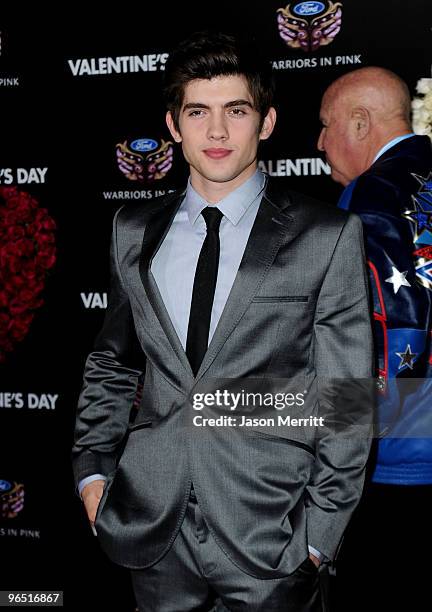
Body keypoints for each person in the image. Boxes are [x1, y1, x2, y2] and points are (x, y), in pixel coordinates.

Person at [72, 32, 373, 612]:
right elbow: (113, 362)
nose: (216, 132)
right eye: (198, 112)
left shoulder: (326, 236)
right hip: (151, 528)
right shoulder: (131, 230)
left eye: (236, 111)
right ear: (172, 124)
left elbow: (346, 398)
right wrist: (92, 474)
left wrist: (319, 535)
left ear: (266, 123)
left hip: (272, 537)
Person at [318, 66, 432, 610]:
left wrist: (335, 463)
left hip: (395, 466)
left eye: (325, 125)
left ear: (360, 123)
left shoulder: (368, 197)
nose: (319, 143)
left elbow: (360, 343)